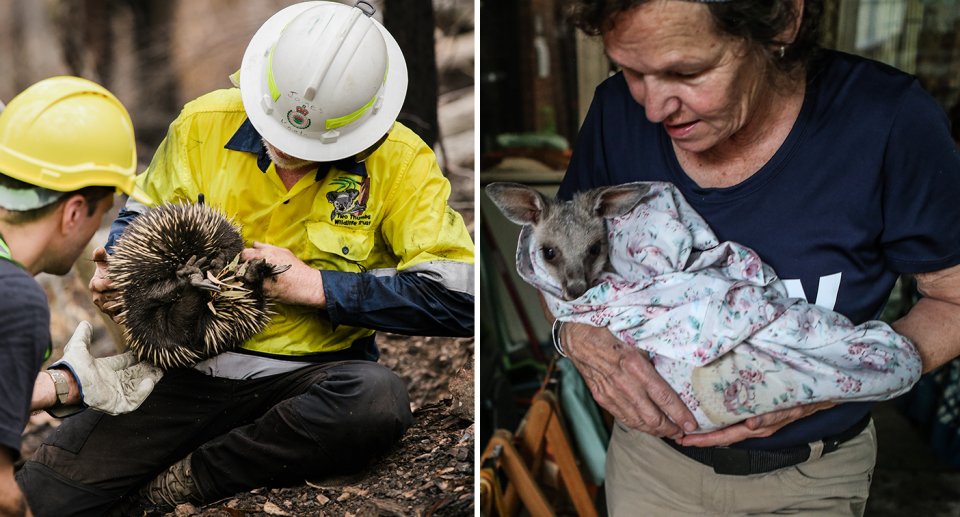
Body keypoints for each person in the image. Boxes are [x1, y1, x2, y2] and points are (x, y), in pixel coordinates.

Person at [16, 1, 475, 514]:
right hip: (182, 373)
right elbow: (137, 222)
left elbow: (462, 297)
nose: (285, 152)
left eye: (307, 146)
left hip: (314, 378)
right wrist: (118, 270)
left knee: (375, 400)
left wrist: (318, 288)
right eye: (277, 133)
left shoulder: (401, 162)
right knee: (40, 497)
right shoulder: (202, 125)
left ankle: (188, 480)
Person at [549, 0, 960, 515]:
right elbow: (558, 270)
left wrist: (829, 381)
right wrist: (576, 335)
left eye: (687, 71)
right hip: (650, 470)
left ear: (783, 22)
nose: (653, 108)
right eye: (630, 70)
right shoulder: (615, 112)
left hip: (811, 480)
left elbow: (954, 300)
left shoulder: (887, 121)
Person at [0, 77, 164, 517]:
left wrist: (47, 387)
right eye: (103, 213)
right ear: (73, 212)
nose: (98, 234)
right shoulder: (14, 302)